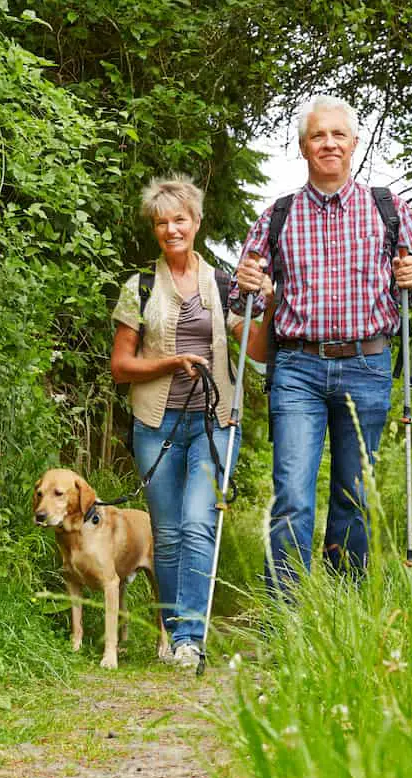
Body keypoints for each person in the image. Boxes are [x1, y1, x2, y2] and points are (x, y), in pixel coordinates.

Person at [232, 95, 412, 595]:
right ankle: (287, 615)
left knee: (353, 495)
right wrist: (246, 283)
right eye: (318, 136)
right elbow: (246, 302)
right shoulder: (277, 216)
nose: (328, 143)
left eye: (337, 135)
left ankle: (341, 614)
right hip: (298, 370)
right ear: (304, 147)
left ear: (353, 144)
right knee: (293, 498)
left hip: (367, 365)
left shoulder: (388, 209)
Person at [111, 175, 271, 666]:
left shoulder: (225, 285)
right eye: (162, 222)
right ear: (155, 230)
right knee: (170, 531)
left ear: (197, 222)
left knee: (199, 523)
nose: (171, 229)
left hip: (215, 420)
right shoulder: (138, 288)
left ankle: (188, 641)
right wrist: (168, 362)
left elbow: (259, 352)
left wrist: (266, 301)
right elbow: (121, 367)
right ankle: (176, 633)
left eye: (180, 219)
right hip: (155, 424)